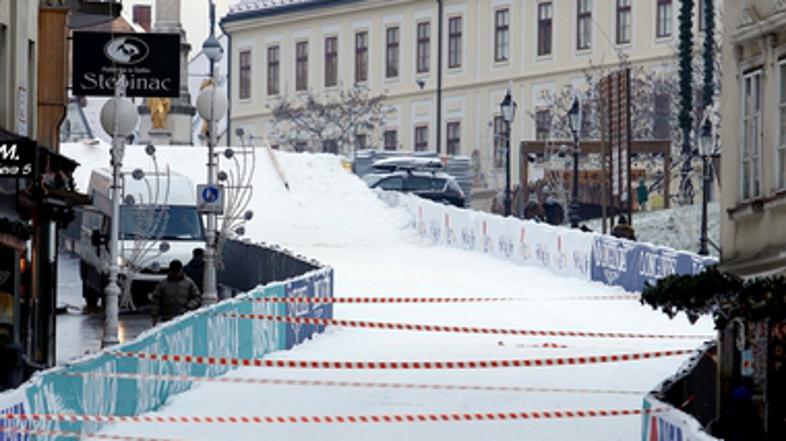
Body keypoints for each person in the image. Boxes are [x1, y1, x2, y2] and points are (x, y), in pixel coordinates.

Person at [150, 260, 202, 325]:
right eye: (174, 272)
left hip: (184, 316)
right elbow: (156, 300)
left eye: (177, 272)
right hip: (167, 318)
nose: (176, 275)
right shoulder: (163, 284)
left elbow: (197, 297)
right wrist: (154, 315)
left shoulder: (189, 283)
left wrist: (188, 307)